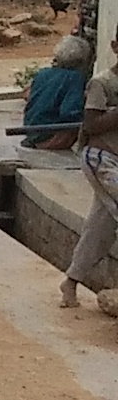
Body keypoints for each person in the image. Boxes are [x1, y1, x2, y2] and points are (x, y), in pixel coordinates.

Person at [61, 22, 118, 309]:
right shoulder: (103, 83)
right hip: (100, 159)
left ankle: (71, 280)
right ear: (115, 48)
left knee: (101, 227)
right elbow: (91, 124)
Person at [21, 33, 90, 150]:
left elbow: (28, 96)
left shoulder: (43, 73)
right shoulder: (74, 78)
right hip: (50, 134)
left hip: (31, 130)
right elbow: (70, 112)